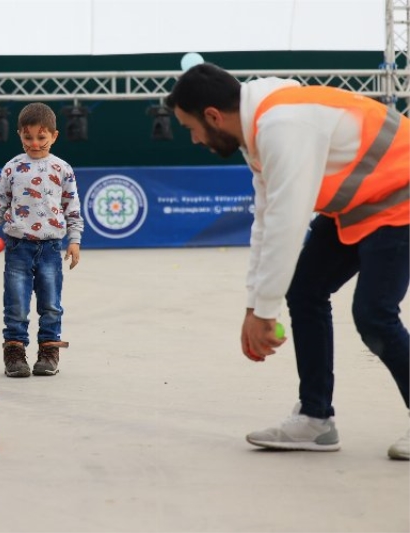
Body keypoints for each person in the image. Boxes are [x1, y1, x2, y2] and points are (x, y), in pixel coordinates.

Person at [165, 63, 409, 460]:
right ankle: (316, 420)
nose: (194, 140)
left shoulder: (282, 125)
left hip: (401, 194)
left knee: (374, 314)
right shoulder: (258, 129)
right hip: (360, 203)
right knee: (305, 289)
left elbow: (288, 223)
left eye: (191, 128)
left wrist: (264, 313)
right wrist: (254, 306)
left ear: (213, 116)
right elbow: (265, 220)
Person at [0, 102, 83, 378]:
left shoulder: (63, 169)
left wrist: (74, 241)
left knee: (51, 302)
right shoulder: (13, 168)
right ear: (19, 135)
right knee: (16, 303)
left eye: (42, 137)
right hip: (17, 247)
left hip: (51, 247)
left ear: (54, 136)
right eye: (28, 137)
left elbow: (72, 208)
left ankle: (49, 350)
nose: (35, 143)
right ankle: (14, 352)